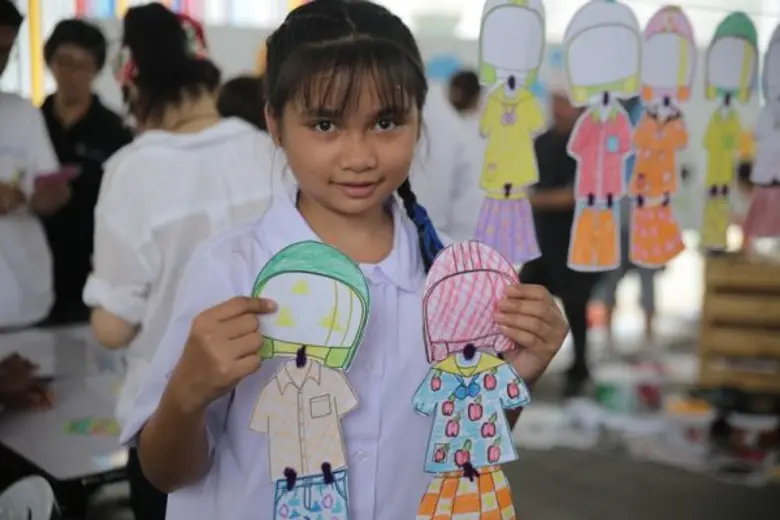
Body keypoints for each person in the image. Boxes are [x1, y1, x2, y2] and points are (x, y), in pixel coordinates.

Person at [118, 2, 568, 519]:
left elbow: (466, 450)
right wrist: (186, 393)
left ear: (419, 120)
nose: (359, 156)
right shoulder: (230, 269)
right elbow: (165, 472)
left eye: (386, 122)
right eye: (326, 124)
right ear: (275, 122)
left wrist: (518, 376)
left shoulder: (456, 277)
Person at [81, 5, 276, 520]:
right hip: (271, 407)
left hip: (172, 418)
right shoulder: (266, 150)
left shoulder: (132, 171)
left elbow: (114, 329)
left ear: (133, 85)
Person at [40, 19, 133, 326]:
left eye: (83, 65)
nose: (72, 75)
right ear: (49, 61)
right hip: (34, 264)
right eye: (64, 62)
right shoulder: (32, 122)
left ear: (97, 68)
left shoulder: (114, 131)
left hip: (91, 270)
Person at [521, 91, 599, 398]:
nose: (559, 107)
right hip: (542, 244)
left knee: (576, 310)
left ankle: (579, 369)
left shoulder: (586, 144)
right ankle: (509, 364)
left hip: (576, 245)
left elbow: (574, 195)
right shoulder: (542, 142)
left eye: (565, 101)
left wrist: (533, 200)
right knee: (517, 297)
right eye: (555, 100)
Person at [0, 0, 67, 330]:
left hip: (23, 299)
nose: (0, 61)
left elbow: (49, 184)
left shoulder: (21, 112)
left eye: (6, 51)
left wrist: (44, 197)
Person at [594, 97, 659, 350]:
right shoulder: (608, 110)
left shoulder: (649, 109)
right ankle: (608, 335)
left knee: (647, 272)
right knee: (612, 272)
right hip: (615, 200)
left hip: (644, 201)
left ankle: (649, 333)